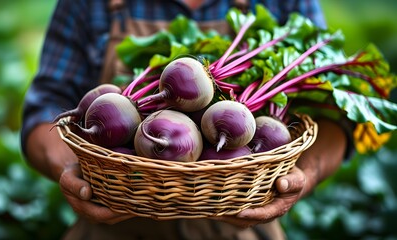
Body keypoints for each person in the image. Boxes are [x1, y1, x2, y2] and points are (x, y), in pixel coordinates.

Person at [21, 0, 350, 239]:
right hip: (110, 226)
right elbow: (45, 107)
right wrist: (70, 173)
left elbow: (335, 117)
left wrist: (302, 178)